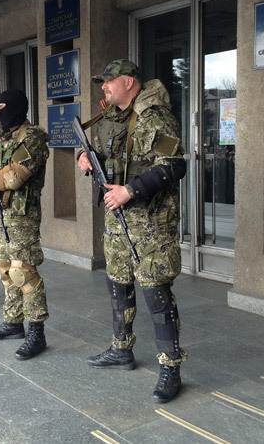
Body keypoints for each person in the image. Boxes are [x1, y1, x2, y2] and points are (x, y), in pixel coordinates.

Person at [77, 59, 187, 404]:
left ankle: (170, 367)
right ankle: (121, 349)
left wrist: (131, 190)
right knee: (118, 284)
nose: (103, 87)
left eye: (108, 82)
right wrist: (84, 158)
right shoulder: (112, 119)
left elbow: (175, 165)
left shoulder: (155, 117)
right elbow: (108, 161)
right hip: (118, 221)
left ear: (128, 81)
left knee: (156, 294)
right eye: (102, 83)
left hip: (151, 224)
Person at [0, 89, 50, 360]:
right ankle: (13, 322)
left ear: (17, 107)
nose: (0, 111)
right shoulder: (0, 140)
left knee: (24, 273)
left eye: (4, 106)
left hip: (21, 217)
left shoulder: (33, 138)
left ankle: (36, 332)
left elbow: (15, 177)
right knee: (5, 270)